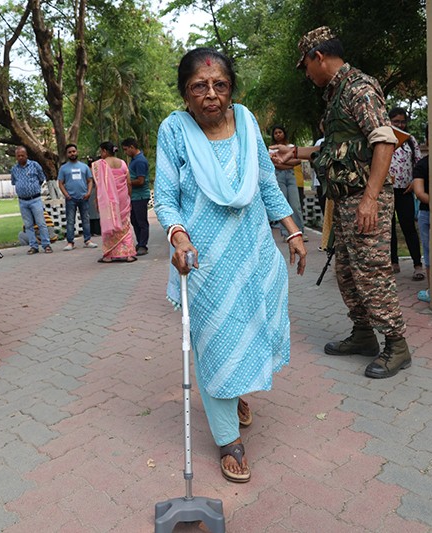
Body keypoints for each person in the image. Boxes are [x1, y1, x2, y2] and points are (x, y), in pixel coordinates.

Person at [155, 48, 307, 484]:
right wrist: (178, 236)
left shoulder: (245, 120)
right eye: (199, 87)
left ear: (231, 89)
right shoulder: (174, 130)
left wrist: (293, 232)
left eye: (219, 85)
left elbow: (264, 182)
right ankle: (228, 440)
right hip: (203, 262)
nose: (211, 95)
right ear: (185, 93)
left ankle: (236, 391)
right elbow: (165, 197)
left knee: (253, 327)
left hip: (255, 253)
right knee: (216, 344)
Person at [272, 26, 411, 379]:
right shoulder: (337, 95)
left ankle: (397, 345)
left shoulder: (359, 87)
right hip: (344, 200)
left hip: (365, 198)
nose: (306, 74)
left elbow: (383, 141)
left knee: (372, 274)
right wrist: (297, 152)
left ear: (318, 56)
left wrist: (369, 200)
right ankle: (364, 335)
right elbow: (337, 148)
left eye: (305, 65)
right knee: (348, 273)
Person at [388, 108, 424, 280]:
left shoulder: (410, 140)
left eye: (402, 121)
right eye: (396, 122)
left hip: (405, 191)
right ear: (389, 122)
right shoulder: (384, 139)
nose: (400, 125)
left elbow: (418, 163)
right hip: (387, 191)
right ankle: (393, 262)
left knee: (408, 226)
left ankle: (417, 264)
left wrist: (414, 182)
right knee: (389, 229)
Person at [93, 142, 137, 263]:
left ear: (104, 151)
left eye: (101, 151)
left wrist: (97, 200)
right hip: (123, 198)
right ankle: (128, 254)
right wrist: (129, 196)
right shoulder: (122, 163)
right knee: (125, 224)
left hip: (108, 200)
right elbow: (128, 182)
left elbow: (100, 185)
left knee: (109, 223)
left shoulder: (102, 165)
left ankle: (108, 255)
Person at [11, 146, 52, 254]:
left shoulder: (34, 165)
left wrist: (33, 188)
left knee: (41, 223)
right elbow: (14, 182)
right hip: (23, 201)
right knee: (28, 225)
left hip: (35, 199)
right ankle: (33, 246)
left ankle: (46, 245)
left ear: (26, 155)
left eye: (22, 155)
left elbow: (41, 178)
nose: (20, 157)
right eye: (18, 156)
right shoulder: (14, 169)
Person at [270, 125, 307, 241]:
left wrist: (282, 162)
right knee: (283, 205)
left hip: (291, 177)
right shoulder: (271, 149)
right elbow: (274, 164)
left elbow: (298, 160)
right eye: (275, 133)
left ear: (284, 133)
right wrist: (287, 162)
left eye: (280, 132)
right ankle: (287, 234)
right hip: (278, 176)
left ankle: (300, 231)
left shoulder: (291, 147)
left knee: (295, 205)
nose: (278, 135)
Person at [58, 143, 98, 251]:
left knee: (86, 219)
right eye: (70, 152)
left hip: (83, 198)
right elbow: (60, 183)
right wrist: (66, 194)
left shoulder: (84, 167)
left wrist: (89, 192)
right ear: (67, 154)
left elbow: (90, 181)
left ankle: (87, 240)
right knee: (70, 220)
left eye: (73, 151)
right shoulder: (63, 168)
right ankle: (70, 242)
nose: (72, 154)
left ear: (77, 152)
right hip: (71, 199)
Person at [121, 138, 151, 256]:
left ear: (132, 147)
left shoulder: (140, 161)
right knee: (134, 220)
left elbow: (141, 181)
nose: (125, 152)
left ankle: (143, 245)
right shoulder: (134, 160)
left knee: (141, 221)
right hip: (134, 196)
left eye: (126, 149)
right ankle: (140, 242)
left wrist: (126, 182)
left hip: (140, 196)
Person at [413, 125, 430, 302]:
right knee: (430, 252)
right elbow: (419, 193)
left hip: (428, 212)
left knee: (430, 251)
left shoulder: (422, 164)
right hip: (429, 214)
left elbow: (420, 193)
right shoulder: (422, 165)